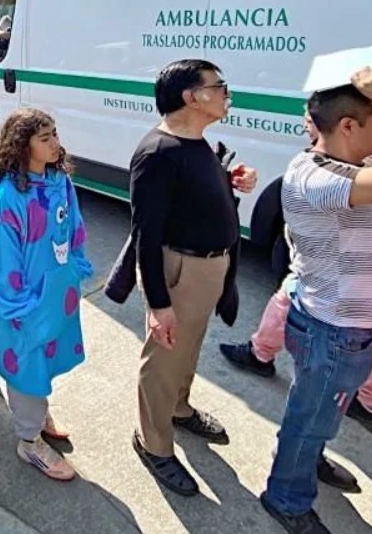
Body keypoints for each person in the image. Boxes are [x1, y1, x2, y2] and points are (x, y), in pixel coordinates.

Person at [261, 67, 372, 534]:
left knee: (319, 410)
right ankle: (287, 495)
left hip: (340, 325)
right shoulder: (325, 182)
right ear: (348, 127)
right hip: (333, 329)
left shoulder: (339, 167)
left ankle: (308, 459)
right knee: (311, 416)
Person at [113, 59, 256, 498]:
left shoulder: (199, 143)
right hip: (180, 271)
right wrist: (158, 304)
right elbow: (147, 234)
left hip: (209, 269)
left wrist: (232, 181)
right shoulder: (157, 153)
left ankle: (179, 408)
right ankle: (154, 443)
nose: (228, 93)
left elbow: (195, 196)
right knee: (162, 361)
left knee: (189, 348)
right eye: (220, 86)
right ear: (192, 98)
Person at [220, 110, 372, 446]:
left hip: (336, 281)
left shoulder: (348, 169)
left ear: (344, 125)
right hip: (334, 277)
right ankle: (262, 353)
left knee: (349, 343)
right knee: (291, 303)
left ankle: (363, 405)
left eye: (310, 117)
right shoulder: (365, 161)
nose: (305, 122)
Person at [0, 108, 94, 481]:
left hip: (56, 294)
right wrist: (20, 306)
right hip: (24, 302)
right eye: (44, 138)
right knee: (26, 364)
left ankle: (36, 411)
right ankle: (29, 441)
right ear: (21, 145)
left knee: (44, 360)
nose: (55, 144)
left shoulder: (59, 180)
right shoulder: (9, 196)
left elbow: (74, 225)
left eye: (55, 134)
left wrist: (76, 267)